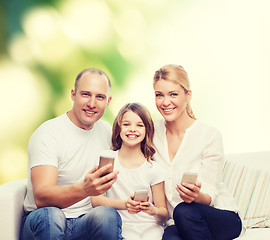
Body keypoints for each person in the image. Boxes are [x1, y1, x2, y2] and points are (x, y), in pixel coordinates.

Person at [20, 68, 122, 240]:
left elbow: (137, 153)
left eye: (100, 97)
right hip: (43, 222)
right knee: (52, 216)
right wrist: (84, 189)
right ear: (73, 95)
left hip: (83, 223)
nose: (92, 103)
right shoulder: (49, 133)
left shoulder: (106, 131)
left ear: (108, 101)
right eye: (85, 94)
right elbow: (41, 197)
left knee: (107, 215)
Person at [152, 64, 243, 240]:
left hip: (219, 216)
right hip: (177, 221)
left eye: (173, 94)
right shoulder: (151, 132)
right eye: (159, 95)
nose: (165, 102)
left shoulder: (209, 135)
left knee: (184, 210)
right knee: (170, 236)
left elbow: (210, 195)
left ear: (188, 95)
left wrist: (197, 195)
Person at [92, 103, 168, 240]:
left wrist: (152, 210)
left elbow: (163, 212)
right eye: (126, 124)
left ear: (147, 130)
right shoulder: (108, 159)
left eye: (139, 125)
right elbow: (96, 200)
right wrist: (125, 205)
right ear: (118, 128)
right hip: (121, 226)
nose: (132, 129)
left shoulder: (154, 169)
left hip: (150, 227)